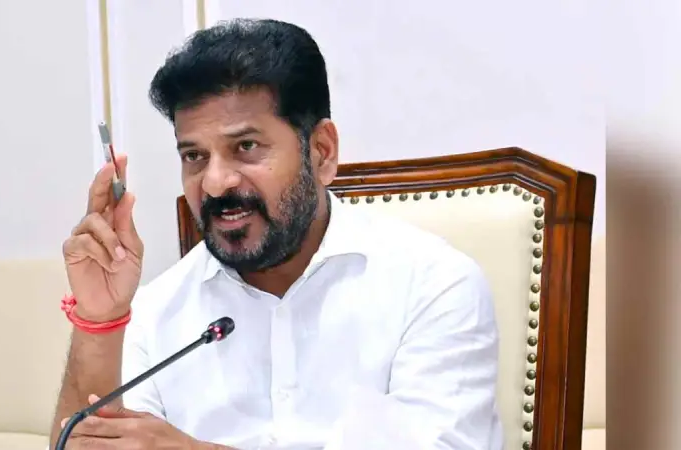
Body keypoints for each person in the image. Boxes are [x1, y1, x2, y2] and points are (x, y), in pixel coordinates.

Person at [50, 18, 503, 449]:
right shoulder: (156, 311)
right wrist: (99, 319)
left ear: (321, 152)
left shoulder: (432, 287)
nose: (215, 183)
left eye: (245, 147)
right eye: (194, 156)